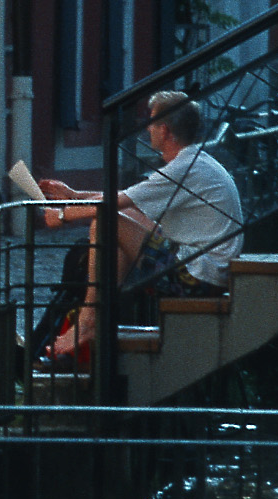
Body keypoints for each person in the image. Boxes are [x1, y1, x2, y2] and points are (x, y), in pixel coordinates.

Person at [30, 91, 243, 368]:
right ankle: (96, 320)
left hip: (197, 279)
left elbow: (115, 202)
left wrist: (62, 216)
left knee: (107, 221)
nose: (148, 129)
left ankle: (88, 321)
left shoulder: (184, 169)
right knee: (119, 228)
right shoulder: (193, 162)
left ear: (165, 130)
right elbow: (129, 199)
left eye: (152, 123)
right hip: (201, 268)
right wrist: (74, 194)